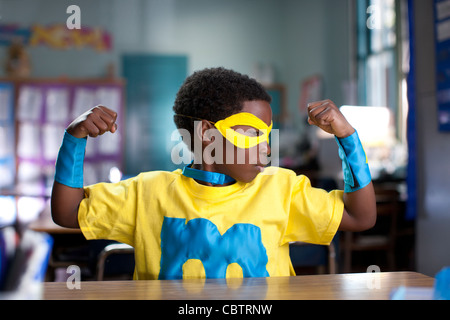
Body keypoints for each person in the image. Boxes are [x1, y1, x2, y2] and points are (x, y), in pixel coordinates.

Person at [51, 67, 376, 280]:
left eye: (268, 133)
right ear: (207, 133)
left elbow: (361, 218)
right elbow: (66, 212)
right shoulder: (147, 192)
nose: (266, 147)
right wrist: (74, 138)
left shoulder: (281, 189)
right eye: (250, 132)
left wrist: (347, 137)